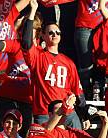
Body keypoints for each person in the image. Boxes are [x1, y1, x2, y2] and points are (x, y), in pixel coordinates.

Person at [22, 0, 84, 129]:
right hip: (44, 113)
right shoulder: (37, 57)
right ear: (43, 36)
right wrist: (33, 11)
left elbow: (78, 93)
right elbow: (26, 43)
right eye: (50, 32)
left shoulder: (68, 62)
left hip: (66, 113)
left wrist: (84, 116)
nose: (55, 35)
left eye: (57, 32)